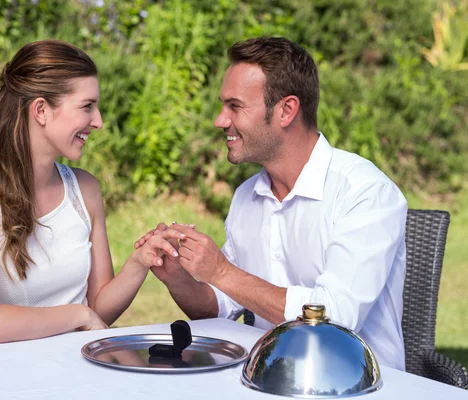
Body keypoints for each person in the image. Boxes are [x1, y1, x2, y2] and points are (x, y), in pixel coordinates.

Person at [136, 37, 407, 370]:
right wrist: (179, 277)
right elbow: (220, 306)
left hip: (357, 386)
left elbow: (334, 319)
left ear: (286, 111)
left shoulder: (366, 193)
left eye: (235, 106)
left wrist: (222, 271)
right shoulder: (247, 196)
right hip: (264, 381)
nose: (220, 120)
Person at [0, 40, 185, 344]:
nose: (99, 121)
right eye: (87, 106)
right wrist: (78, 314)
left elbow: (99, 310)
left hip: (76, 366)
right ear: (41, 110)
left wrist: (140, 261)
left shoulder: (85, 189)